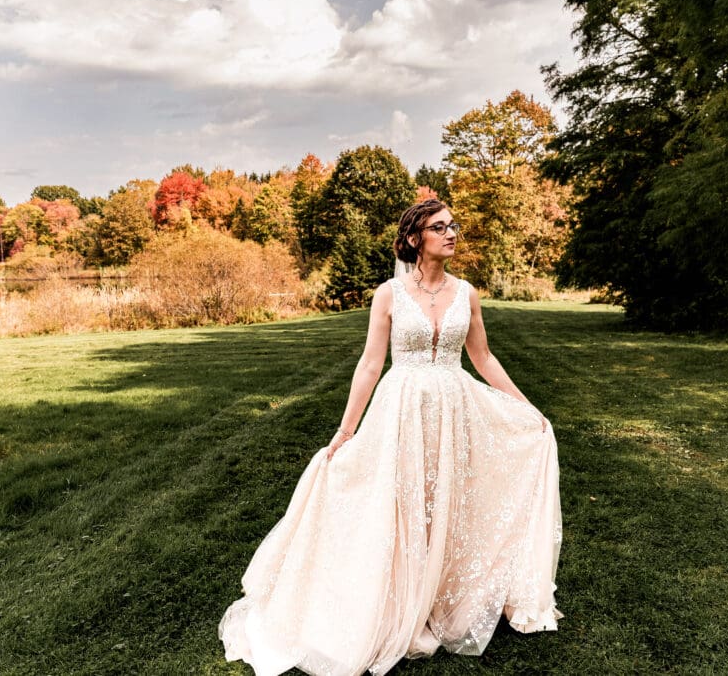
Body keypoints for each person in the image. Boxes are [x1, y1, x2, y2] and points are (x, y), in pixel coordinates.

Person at [218, 199, 563, 676]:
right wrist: (345, 430)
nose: (451, 233)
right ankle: (398, 601)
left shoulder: (468, 293)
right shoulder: (390, 294)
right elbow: (369, 364)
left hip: (454, 406)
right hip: (401, 408)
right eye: (439, 227)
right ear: (415, 238)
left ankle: (437, 595)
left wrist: (525, 406)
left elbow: (483, 359)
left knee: (446, 500)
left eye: (453, 225)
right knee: (403, 502)